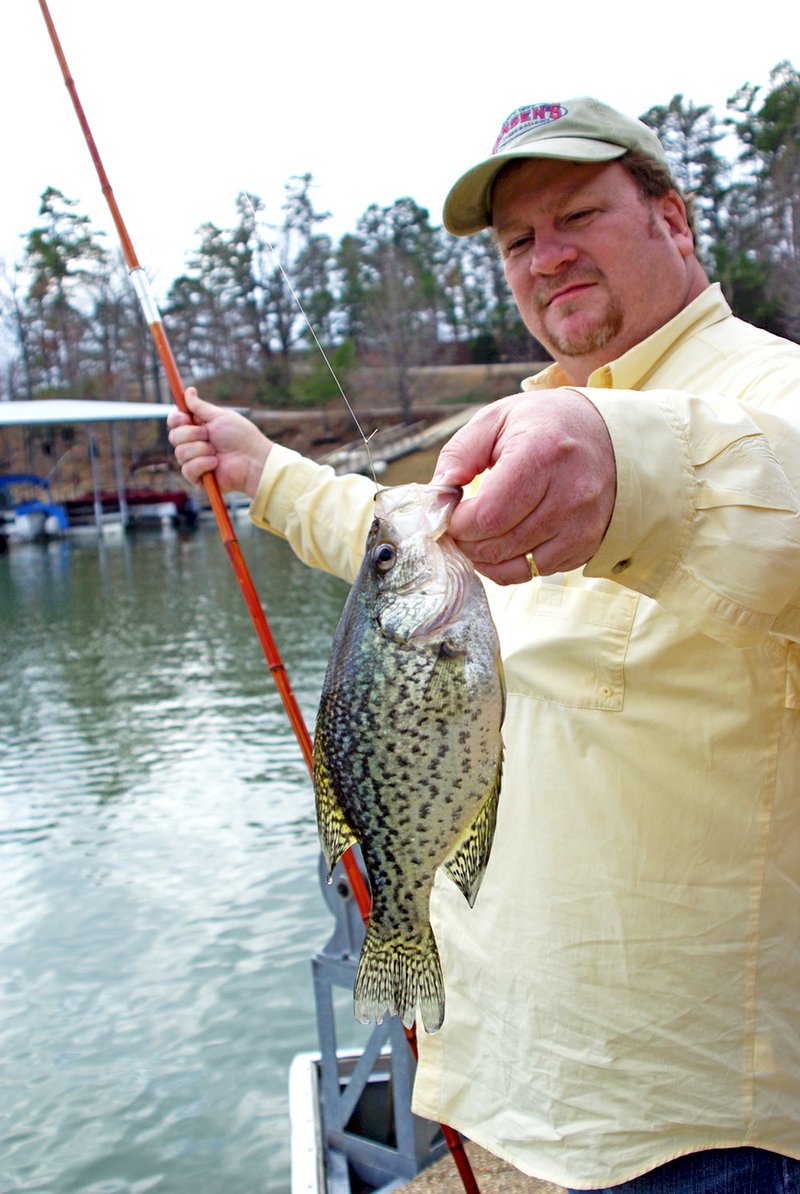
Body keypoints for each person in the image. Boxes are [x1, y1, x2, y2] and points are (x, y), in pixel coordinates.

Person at [168, 97, 800, 1193]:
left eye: (579, 215)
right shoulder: (531, 422)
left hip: (706, 1119)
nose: (546, 255)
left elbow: (762, 488)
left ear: (672, 219)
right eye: (518, 241)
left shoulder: (767, 395)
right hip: (524, 1078)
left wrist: (626, 468)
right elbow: (399, 544)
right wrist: (263, 471)